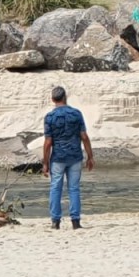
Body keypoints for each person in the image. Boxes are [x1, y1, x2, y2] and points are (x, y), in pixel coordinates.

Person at [43, 85, 94, 229]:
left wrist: (45, 162)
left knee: (55, 188)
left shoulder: (50, 117)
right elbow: (84, 136)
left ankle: (55, 221)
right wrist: (90, 156)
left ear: (53, 99)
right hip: (75, 156)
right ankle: (75, 221)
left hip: (58, 157)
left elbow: (48, 143)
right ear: (65, 97)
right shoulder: (76, 114)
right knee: (74, 189)